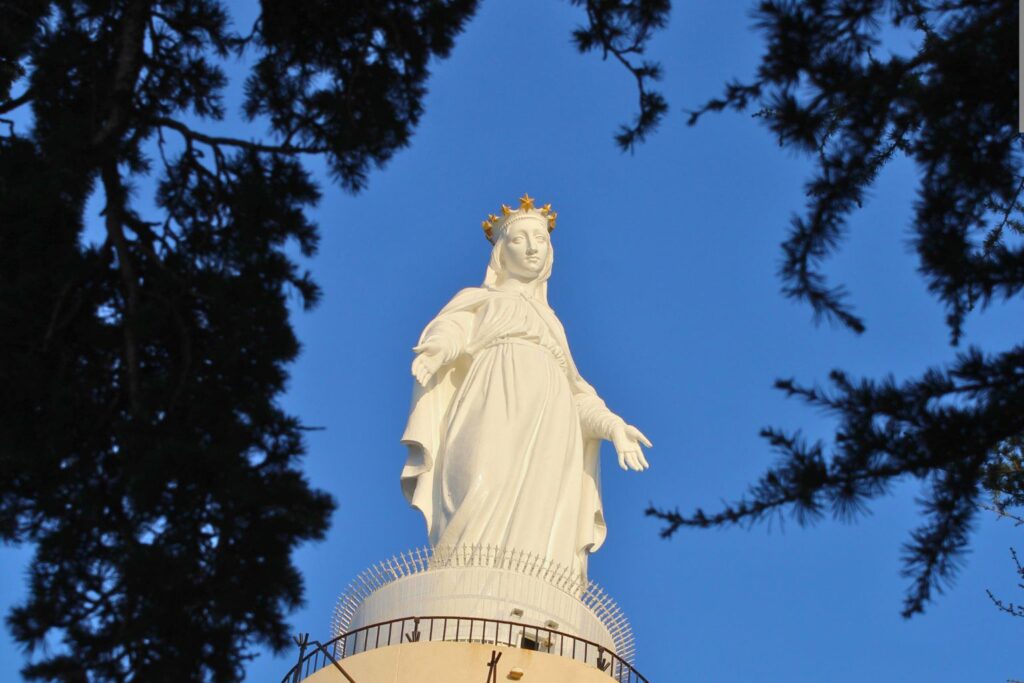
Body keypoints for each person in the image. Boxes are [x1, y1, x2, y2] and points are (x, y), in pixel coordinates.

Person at [400, 194, 651, 578]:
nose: (533, 247)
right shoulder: (480, 300)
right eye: (520, 239)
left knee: (543, 515)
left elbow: (577, 394)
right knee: (480, 484)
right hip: (492, 400)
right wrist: (436, 352)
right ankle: (464, 581)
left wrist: (613, 426)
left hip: (552, 424)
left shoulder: (552, 325)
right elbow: (453, 330)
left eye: (541, 240)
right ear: (501, 252)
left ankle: (533, 588)